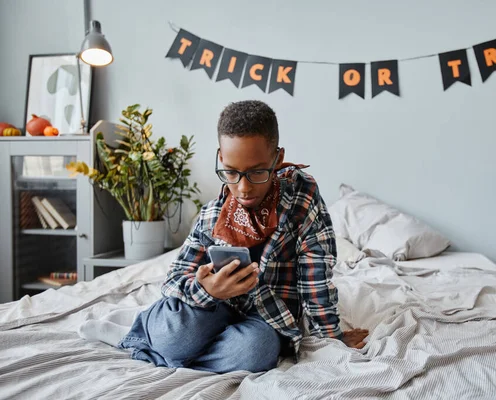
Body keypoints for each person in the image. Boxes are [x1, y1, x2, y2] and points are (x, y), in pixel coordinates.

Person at [117, 100, 369, 373]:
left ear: (278, 158)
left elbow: (315, 276)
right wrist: (208, 290)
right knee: (174, 336)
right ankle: (166, 338)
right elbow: (175, 279)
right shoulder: (213, 214)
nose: (243, 188)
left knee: (256, 352)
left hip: (266, 315)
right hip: (213, 304)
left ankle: (172, 354)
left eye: (257, 172)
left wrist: (331, 338)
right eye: (231, 173)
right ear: (221, 158)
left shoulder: (301, 199)